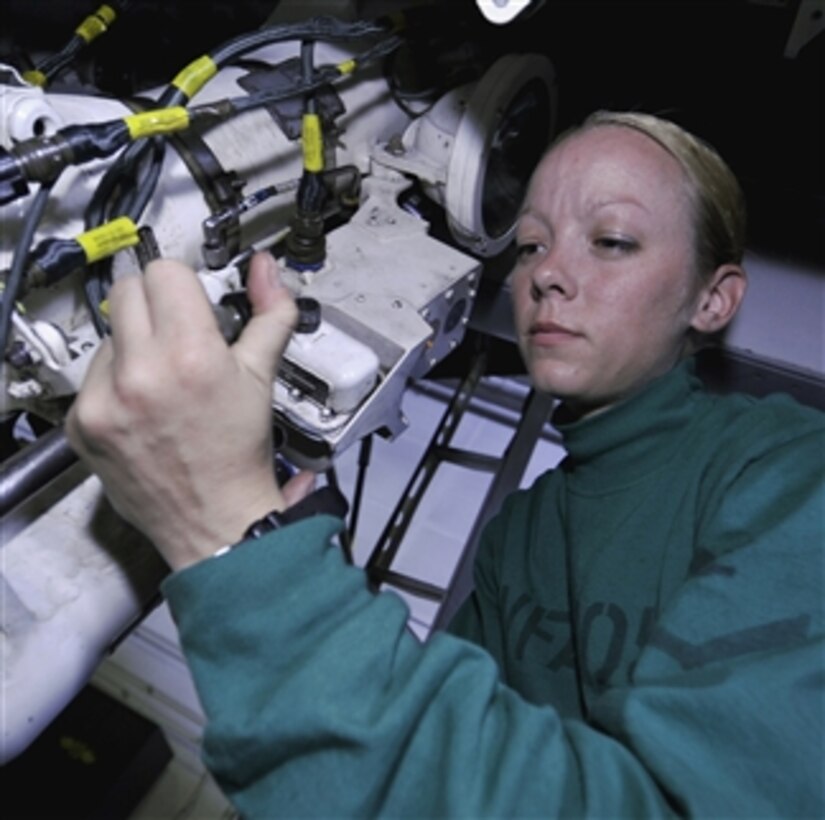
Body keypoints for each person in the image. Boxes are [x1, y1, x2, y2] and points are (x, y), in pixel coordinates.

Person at [66, 110, 825, 818]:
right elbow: (430, 753)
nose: (544, 276)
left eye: (611, 241)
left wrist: (230, 536)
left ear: (712, 301)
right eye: (530, 244)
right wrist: (308, 579)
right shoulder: (522, 528)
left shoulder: (792, 473)